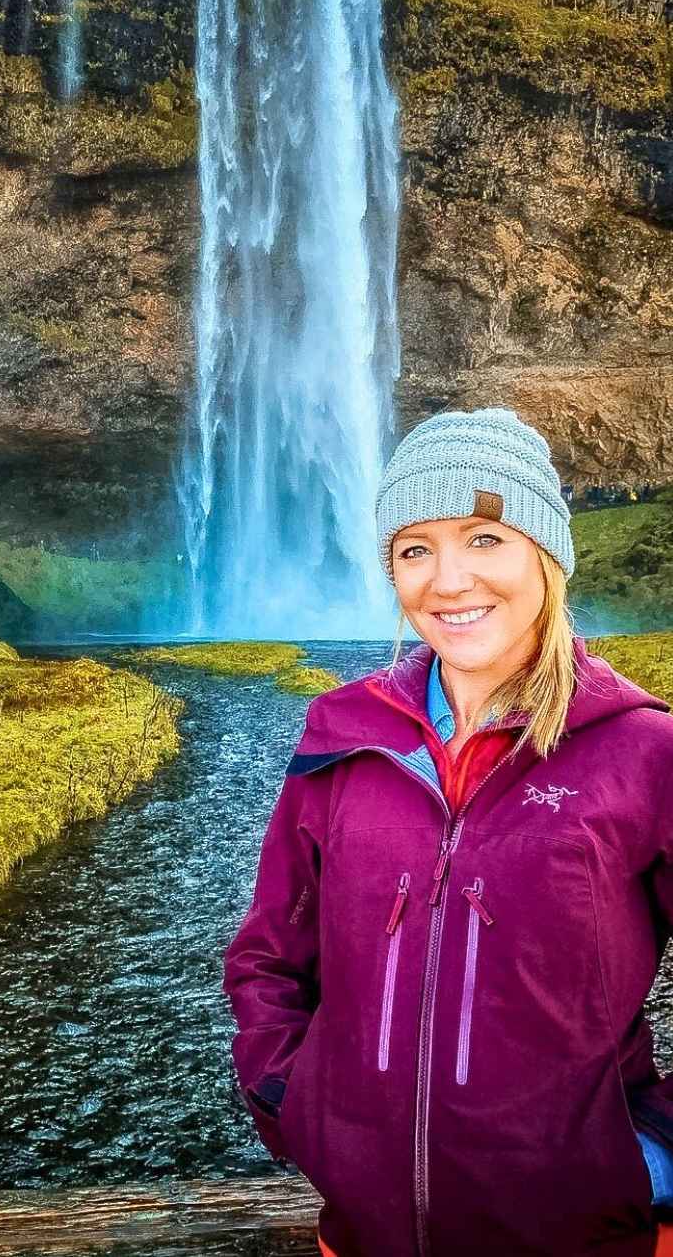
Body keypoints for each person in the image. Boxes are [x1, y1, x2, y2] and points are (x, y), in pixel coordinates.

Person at [222, 407, 673, 1257]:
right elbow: (269, 957)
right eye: (414, 549)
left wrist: (647, 1151)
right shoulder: (340, 735)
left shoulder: (646, 753)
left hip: (578, 1236)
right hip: (362, 1235)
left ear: (546, 554)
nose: (449, 581)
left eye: (484, 537)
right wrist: (295, 1101)